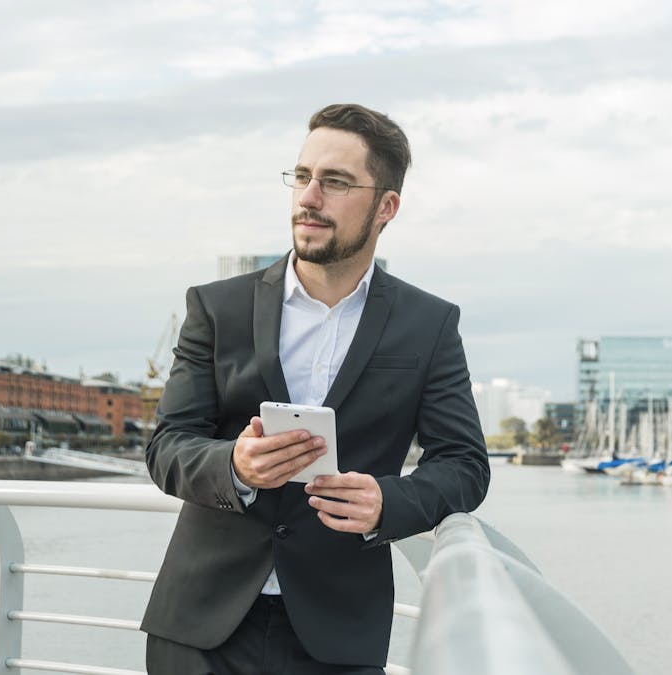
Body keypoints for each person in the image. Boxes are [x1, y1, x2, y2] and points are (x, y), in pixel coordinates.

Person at [142, 103, 491, 674]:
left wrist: (388, 503)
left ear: (386, 207)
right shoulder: (216, 307)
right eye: (302, 176)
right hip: (198, 628)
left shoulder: (429, 325)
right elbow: (167, 445)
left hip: (338, 635)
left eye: (335, 182)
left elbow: (465, 464)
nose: (308, 197)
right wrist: (235, 466)